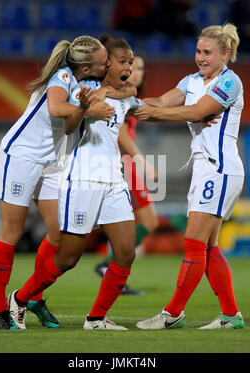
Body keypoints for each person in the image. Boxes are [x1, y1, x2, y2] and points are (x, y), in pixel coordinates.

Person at [7, 35, 142, 331]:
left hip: (113, 182)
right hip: (82, 179)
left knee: (125, 252)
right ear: (104, 65)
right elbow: (69, 126)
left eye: (130, 62)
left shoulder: (125, 94)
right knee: (68, 257)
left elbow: (147, 107)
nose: (128, 67)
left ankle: (95, 319)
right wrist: (86, 106)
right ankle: (20, 298)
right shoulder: (86, 90)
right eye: (122, 61)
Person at [0, 35, 115, 330]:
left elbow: (76, 119)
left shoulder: (88, 84)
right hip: (21, 157)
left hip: (51, 163)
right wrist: (90, 110)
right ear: (86, 67)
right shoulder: (63, 76)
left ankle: (31, 298)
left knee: (59, 236)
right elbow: (56, 109)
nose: (107, 63)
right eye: (103, 60)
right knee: (12, 230)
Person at [134, 23, 245, 330]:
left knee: (194, 242)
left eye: (207, 52)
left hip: (220, 169)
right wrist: (129, 104)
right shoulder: (191, 81)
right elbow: (162, 101)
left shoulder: (229, 83)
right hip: (203, 168)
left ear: (224, 54)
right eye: (198, 51)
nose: (200, 57)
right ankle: (231, 315)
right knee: (208, 246)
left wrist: (153, 114)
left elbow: (197, 112)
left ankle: (172, 314)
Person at [95, 55, 159, 295]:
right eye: (133, 67)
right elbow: (121, 135)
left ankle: (110, 266)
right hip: (124, 165)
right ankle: (109, 266)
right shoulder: (120, 97)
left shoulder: (131, 99)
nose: (138, 71)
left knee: (145, 223)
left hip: (126, 165)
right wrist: (142, 162)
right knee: (147, 222)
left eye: (141, 67)